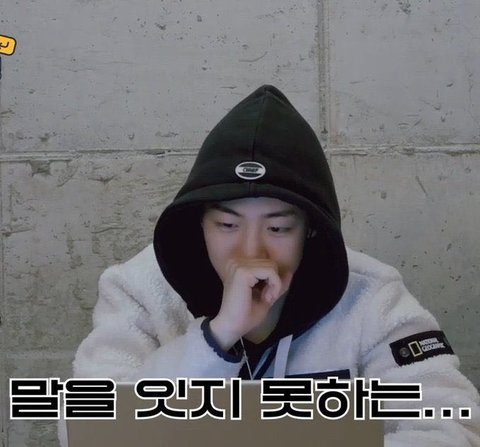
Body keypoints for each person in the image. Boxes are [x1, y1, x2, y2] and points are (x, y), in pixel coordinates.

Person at [65, 85, 479, 445]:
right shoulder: (140, 288)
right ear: (198, 223)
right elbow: (85, 429)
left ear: (311, 229)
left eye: (278, 228)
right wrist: (217, 337)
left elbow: (453, 424)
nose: (251, 250)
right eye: (227, 225)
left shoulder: (371, 297)